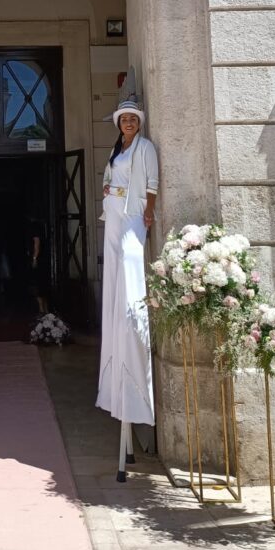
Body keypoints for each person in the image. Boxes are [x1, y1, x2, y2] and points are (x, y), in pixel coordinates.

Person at [96, 98, 158, 438]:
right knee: (114, 270)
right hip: (114, 209)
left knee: (130, 264)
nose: (129, 123)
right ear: (119, 124)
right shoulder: (116, 149)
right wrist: (107, 189)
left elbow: (151, 182)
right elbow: (111, 175)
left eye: (133, 119)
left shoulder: (144, 147)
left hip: (133, 212)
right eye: (124, 119)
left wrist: (149, 210)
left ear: (139, 122)